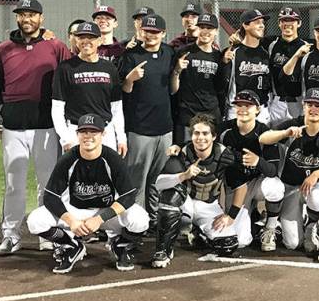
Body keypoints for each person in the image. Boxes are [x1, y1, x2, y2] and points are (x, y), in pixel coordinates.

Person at [0, 0, 72, 255]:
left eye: (32, 15)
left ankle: (46, 233)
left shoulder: (55, 46)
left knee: (47, 182)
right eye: (22, 15)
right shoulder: (3, 49)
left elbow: (69, 76)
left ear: (41, 18)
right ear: (17, 18)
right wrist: (1, 109)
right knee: (14, 182)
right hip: (14, 126)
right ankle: (11, 234)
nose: (27, 19)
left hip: (46, 125)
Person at [26, 113, 149, 273]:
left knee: (140, 220)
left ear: (103, 134)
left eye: (94, 132)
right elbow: (50, 197)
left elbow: (128, 196)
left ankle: (120, 245)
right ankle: (70, 245)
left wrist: (99, 219)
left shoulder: (112, 159)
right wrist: (71, 222)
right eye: (84, 132)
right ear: (77, 135)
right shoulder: (68, 159)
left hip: (105, 212)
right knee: (35, 221)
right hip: (76, 211)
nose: (88, 136)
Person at [258, 88, 319, 257]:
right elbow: (263, 138)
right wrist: (285, 133)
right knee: (292, 244)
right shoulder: (294, 124)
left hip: (311, 187)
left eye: (318, 106)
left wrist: (316, 174)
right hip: (290, 187)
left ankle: (311, 226)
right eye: (310, 104)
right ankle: (280, 224)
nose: (313, 109)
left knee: (318, 197)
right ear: (303, 105)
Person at [152, 113, 240, 266]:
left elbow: (242, 184)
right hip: (185, 203)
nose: (200, 138)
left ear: (213, 136)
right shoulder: (181, 154)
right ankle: (163, 249)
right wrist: (183, 175)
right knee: (171, 194)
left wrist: (230, 215)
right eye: (196, 133)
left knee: (228, 244)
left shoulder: (225, 155)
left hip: (208, 205)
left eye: (205, 133)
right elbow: (159, 184)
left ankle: (199, 233)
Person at [118, 12, 176, 219]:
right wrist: (130, 79)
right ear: (140, 31)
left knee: (158, 179)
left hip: (165, 128)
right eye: (147, 31)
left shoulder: (170, 53)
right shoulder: (130, 55)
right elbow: (122, 91)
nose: (150, 35)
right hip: (140, 128)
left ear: (163, 33)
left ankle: (154, 221)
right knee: (137, 181)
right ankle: (135, 223)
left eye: (155, 31)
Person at [217, 90, 282, 251]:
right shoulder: (224, 130)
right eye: (239, 105)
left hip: (256, 183)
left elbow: (273, 170)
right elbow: (201, 142)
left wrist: (258, 161)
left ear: (258, 109)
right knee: (241, 241)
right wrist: (179, 147)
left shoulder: (264, 132)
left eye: (248, 105)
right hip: (236, 187)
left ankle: (270, 227)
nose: (243, 109)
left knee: (276, 187)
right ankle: (252, 216)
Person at [51, 21, 127, 154]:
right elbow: (57, 107)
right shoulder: (65, 68)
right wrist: (65, 139)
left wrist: (121, 138)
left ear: (99, 40)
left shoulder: (109, 68)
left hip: (105, 132)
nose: (85, 41)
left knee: (106, 173)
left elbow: (116, 107)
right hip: (76, 132)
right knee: (76, 174)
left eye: (91, 37)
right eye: (81, 37)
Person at [172, 12, 229, 140]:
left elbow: (220, 88)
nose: (205, 31)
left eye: (209, 28)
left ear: (215, 31)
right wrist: (177, 69)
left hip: (211, 116)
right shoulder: (184, 52)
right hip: (188, 116)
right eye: (202, 27)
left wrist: (224, 64)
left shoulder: (218, 56)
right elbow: (173, 89)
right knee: (185, 157)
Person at [261, 7, 310, 125]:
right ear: (279, 23)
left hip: (298, 101)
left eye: (292, 20)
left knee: (296, 139)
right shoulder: (271, 45)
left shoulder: (306, 47)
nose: (287, 24)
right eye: (284, 20)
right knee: (275, 137)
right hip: (277, 101)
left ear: (299, 23)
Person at [226, 9, 272, 123]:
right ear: (245, 26)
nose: (261, 26)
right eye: (257, 22)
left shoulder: (266, 54)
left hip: (261, 109)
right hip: (238, 109)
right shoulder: (234, 53)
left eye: (262, 23)